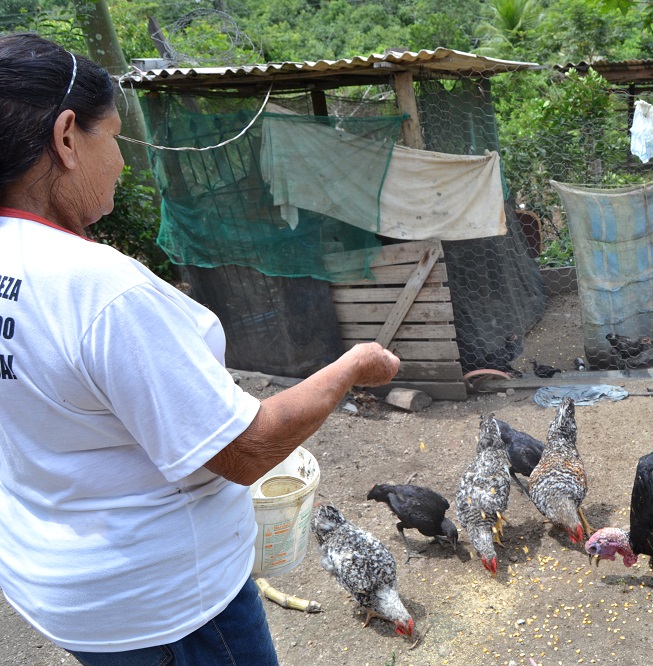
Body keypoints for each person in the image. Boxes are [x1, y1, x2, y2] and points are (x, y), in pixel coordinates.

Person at [0, 33, 401, 665]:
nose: (124, 163)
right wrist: (351, 367)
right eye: (114, 138)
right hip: (164, 604)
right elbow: (241, 451)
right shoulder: (99, 288)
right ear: (66, 136)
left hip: (59, 587)